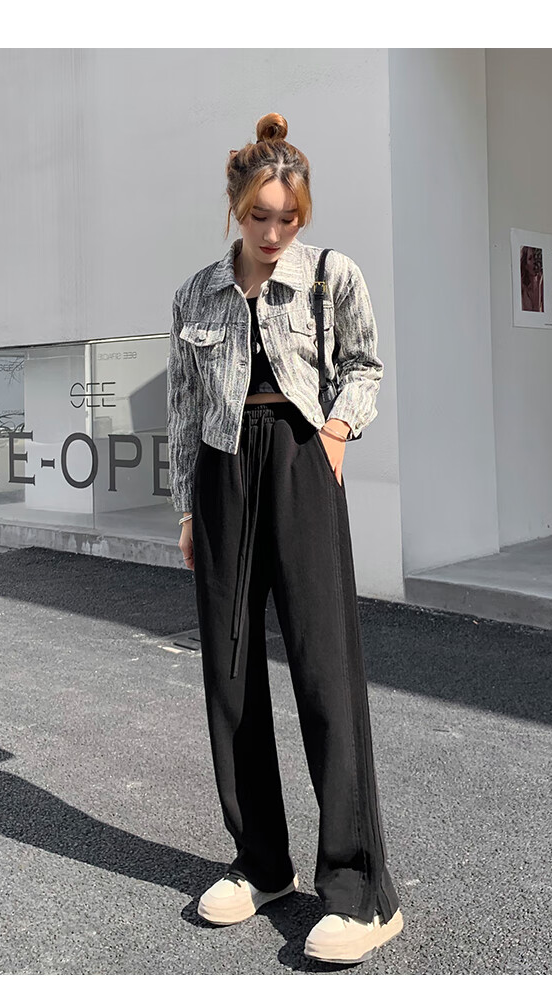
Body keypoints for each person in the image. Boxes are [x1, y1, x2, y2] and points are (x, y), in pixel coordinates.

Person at [166, 111, 404, 965]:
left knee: (324, 670)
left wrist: (336, 432)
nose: (274, 233)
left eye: (289, 217)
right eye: (260, 216)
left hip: (302, 456)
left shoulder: (331, 275)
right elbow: (185, 406)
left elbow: (364, 365)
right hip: (221, 468)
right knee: (229, 677)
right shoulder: (196, 294)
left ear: (304, 211)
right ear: (236, 207)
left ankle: (359, 889)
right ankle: (262, 862)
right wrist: (188, 508)